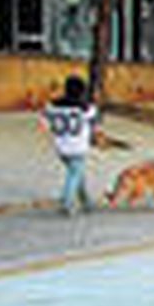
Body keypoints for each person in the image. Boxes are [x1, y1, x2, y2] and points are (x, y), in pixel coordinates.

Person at [40, 75, 100, 216]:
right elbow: (94, 124)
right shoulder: (86, 108)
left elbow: (43, 123)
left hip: (61, 146)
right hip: (78, 147)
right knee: (74, 174)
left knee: (77, 173)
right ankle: (67, 202)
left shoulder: (52, 106)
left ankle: (87, 202)